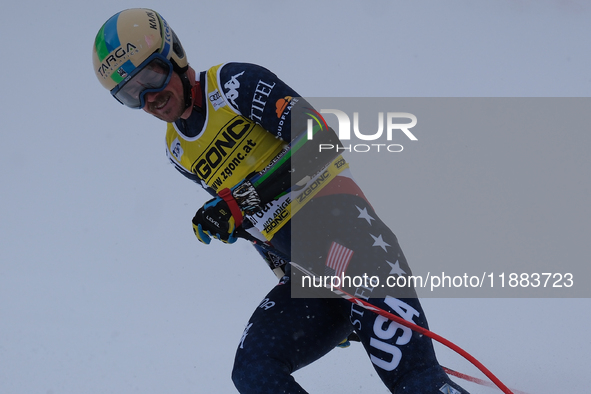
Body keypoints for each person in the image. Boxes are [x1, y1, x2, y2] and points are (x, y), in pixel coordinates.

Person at [92, 8, 469, 394]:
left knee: (416, 383)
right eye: (131, 94)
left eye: (151, 77)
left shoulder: (232, 85)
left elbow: (319, 140)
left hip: (357, 250)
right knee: (254, 372)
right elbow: (260, 227)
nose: (150, 99)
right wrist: (235, 221)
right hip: (311, 281)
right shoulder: (178, 150)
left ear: (175, 55)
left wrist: (240, 201)